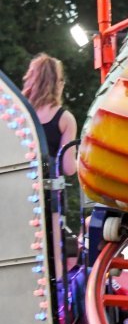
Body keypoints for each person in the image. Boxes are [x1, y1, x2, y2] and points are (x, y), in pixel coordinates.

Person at [22, 53, 78, 277]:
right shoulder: (64, 118)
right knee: (53, 249)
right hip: (50, 194)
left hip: (21, 190)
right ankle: (56, 305)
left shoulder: (20, 114)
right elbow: (69, 168)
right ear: (57, 83)